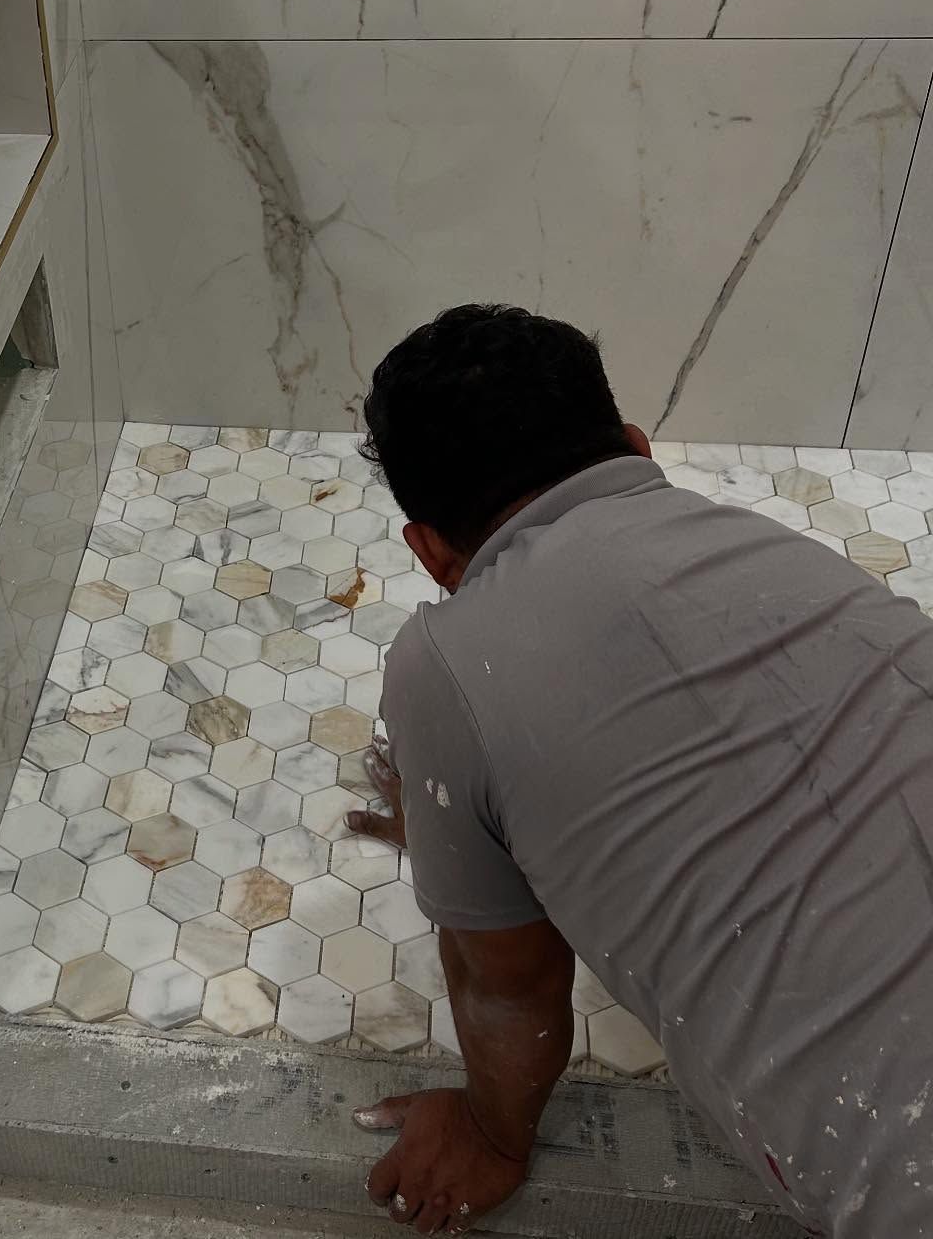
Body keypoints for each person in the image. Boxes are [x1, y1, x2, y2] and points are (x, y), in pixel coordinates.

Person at [341, 303, 933, 1237]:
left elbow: (512, 985)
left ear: (428, 550)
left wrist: (494, 1138)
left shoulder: (440, 666)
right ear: (637, 447)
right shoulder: (784, 553)